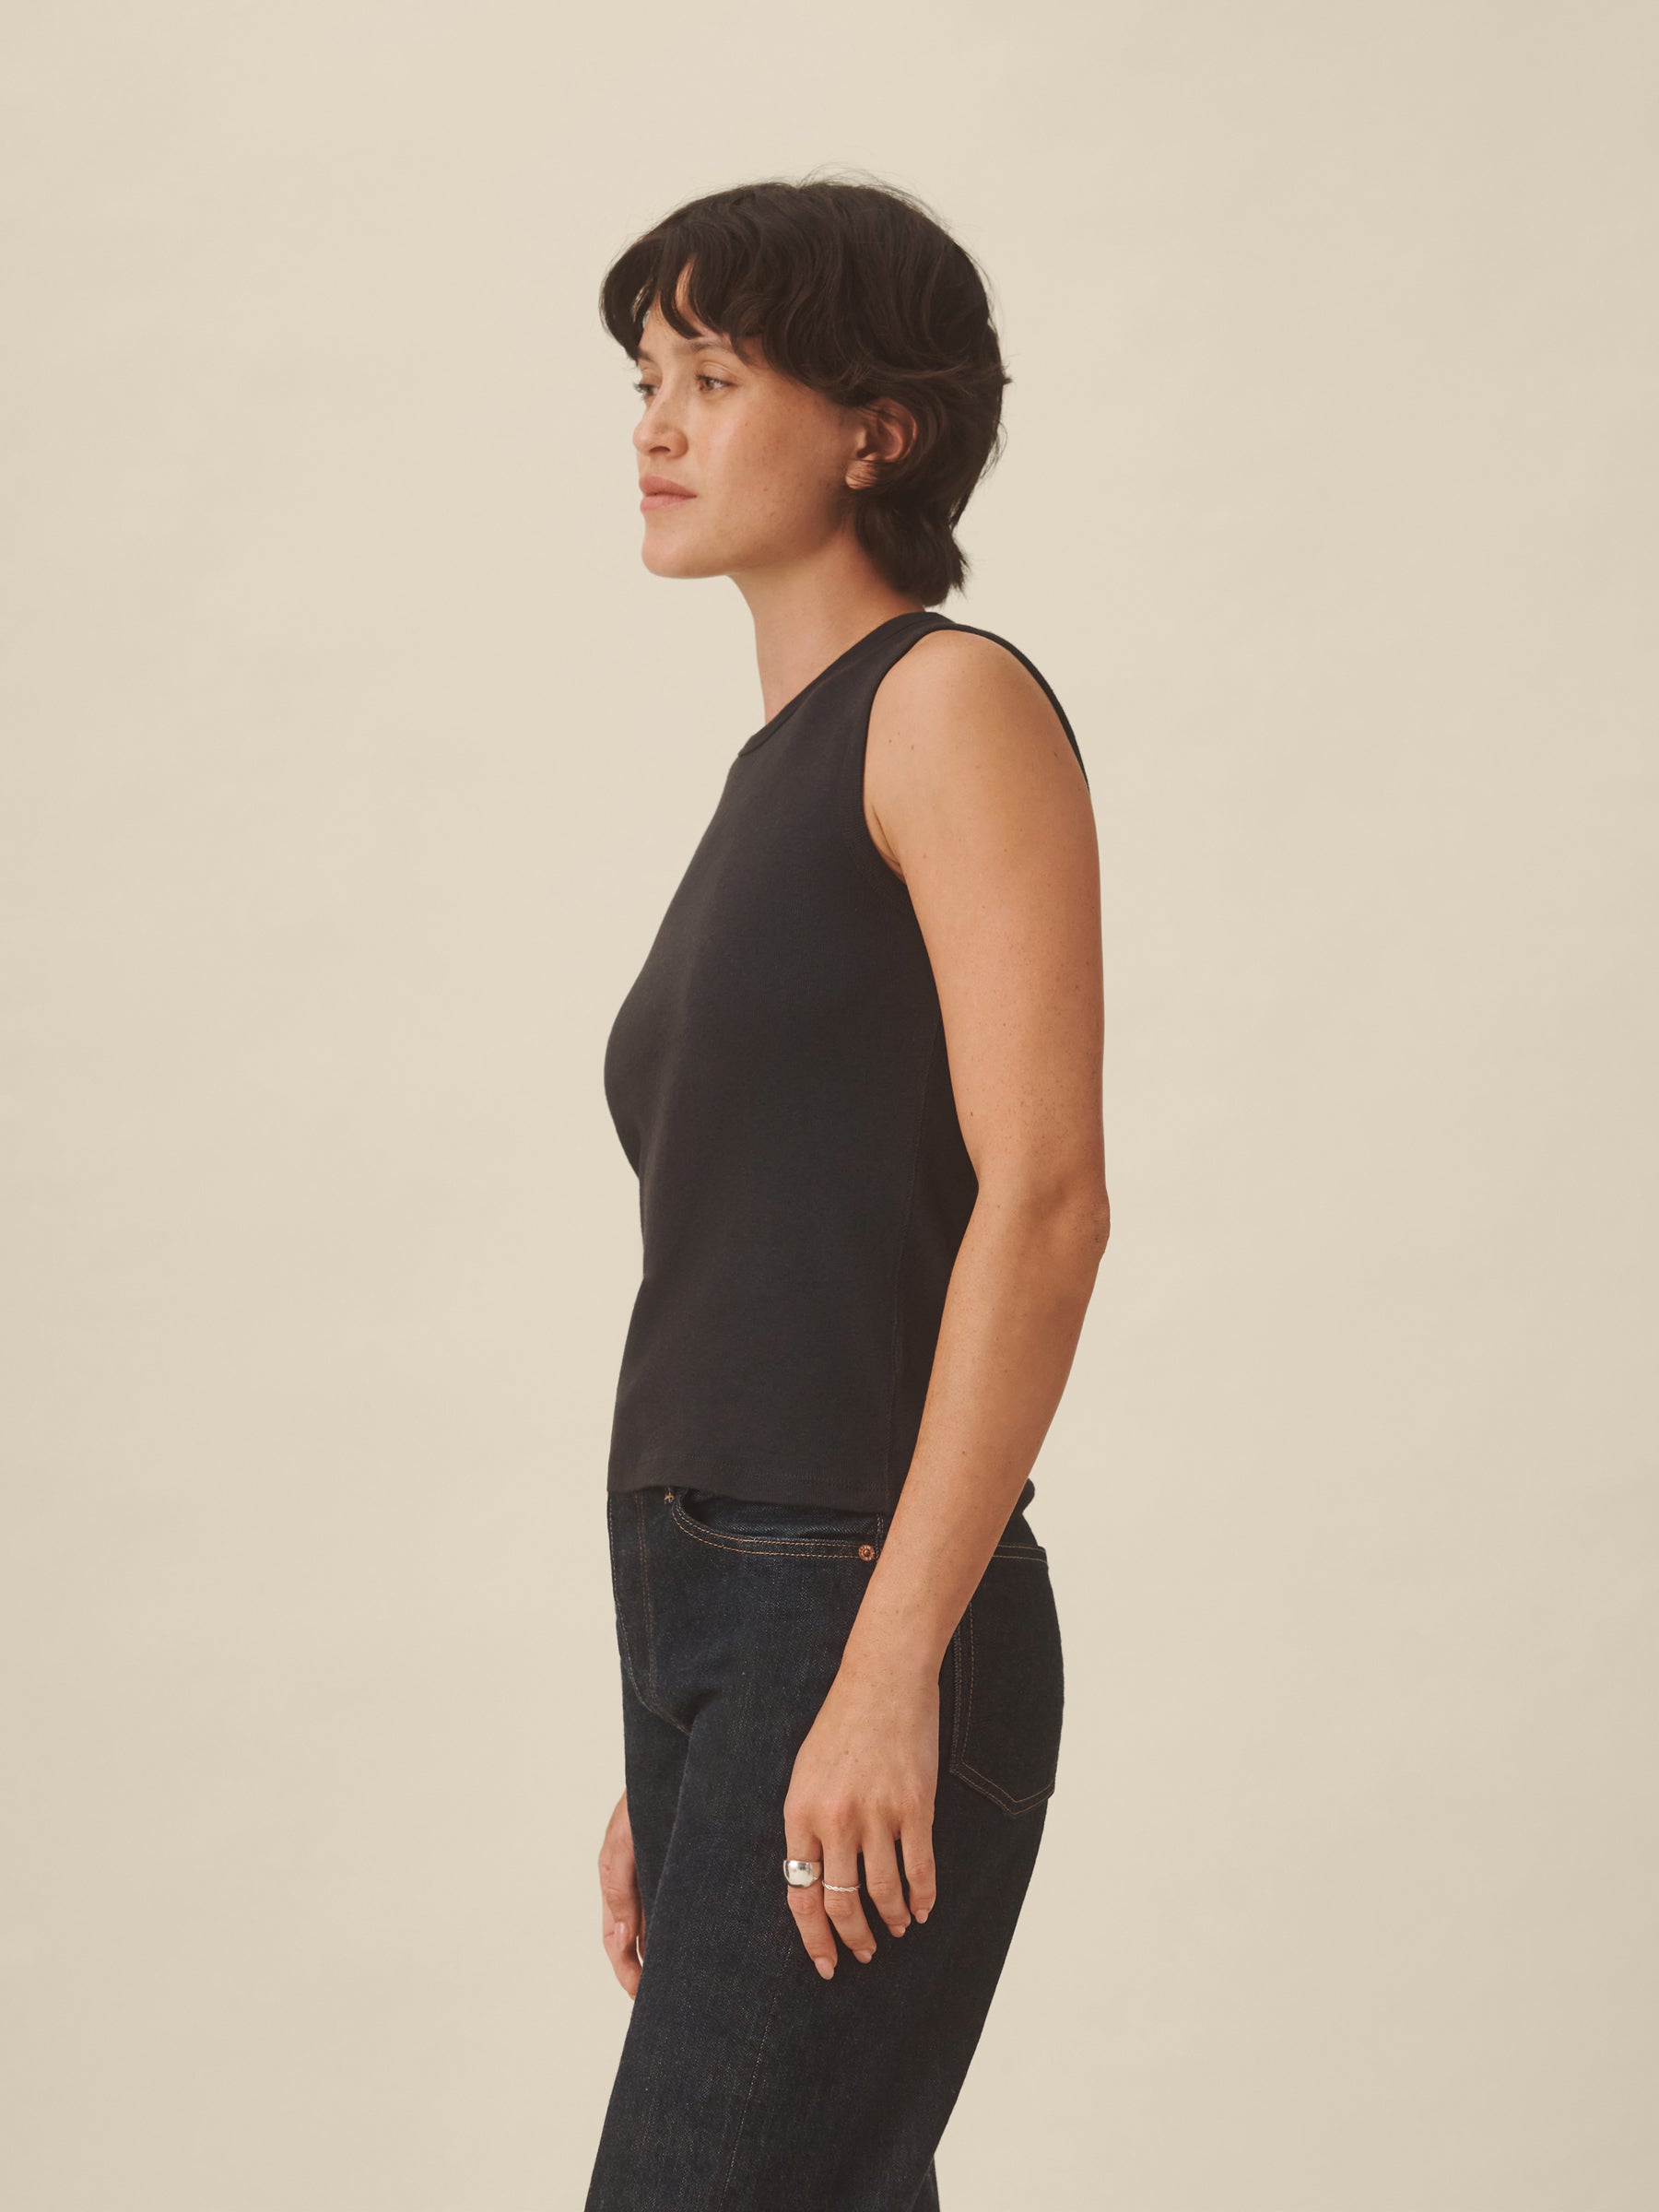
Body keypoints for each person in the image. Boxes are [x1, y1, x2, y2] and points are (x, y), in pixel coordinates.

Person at [586, 174, 1110, 2210]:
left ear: (878, 430)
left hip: (855, 1593)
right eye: (648, 378)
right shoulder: (775, 776)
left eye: (714, 379)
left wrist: (887, 1664)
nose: (656, 423)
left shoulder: (945, 705)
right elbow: (760, 1268)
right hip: (718, 1615)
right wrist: (677, 1733)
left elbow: (1046, 1200)